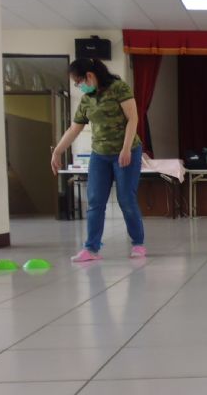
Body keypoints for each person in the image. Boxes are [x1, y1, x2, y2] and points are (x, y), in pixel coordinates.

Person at [50, 58, 146, 261]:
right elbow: (74, 129)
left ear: (90, 75)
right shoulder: (87, 100)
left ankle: (138, 243)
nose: (79, 86)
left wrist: (126, 148)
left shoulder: (119, 88)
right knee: (95, 201)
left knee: (126, 199)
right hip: (100, 155)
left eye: (79, 81)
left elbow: (133, 118)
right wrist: (57, 151)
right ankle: (91, 248)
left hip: (126, 151)